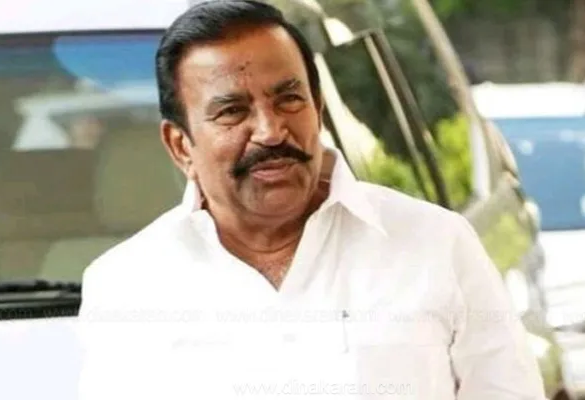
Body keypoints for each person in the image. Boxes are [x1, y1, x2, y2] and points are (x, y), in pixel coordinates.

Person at [77, 1, 546, 399]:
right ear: (181, 146)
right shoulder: (126, 287)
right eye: (232, 111)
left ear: (317, 109)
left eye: (289, 99)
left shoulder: (435, 243)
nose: (270, 130)